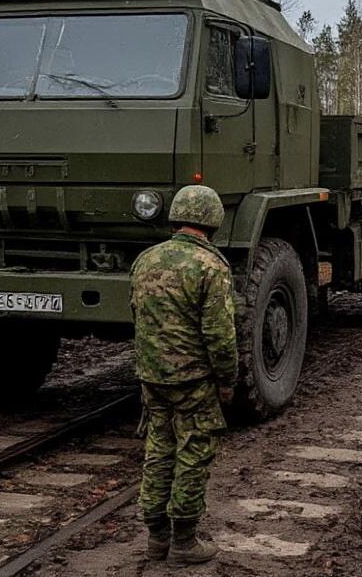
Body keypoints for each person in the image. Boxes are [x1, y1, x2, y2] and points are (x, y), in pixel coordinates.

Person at [129, 185, 238, 564]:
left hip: (152, 378)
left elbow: (138, 316)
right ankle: (184, 542)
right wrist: (227, 380)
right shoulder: (211, 267)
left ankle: (156, 537)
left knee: (158, 450)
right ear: (212, 220)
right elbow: (220, 335)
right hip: (193, 380)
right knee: (193, 453)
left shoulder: (145, 260)